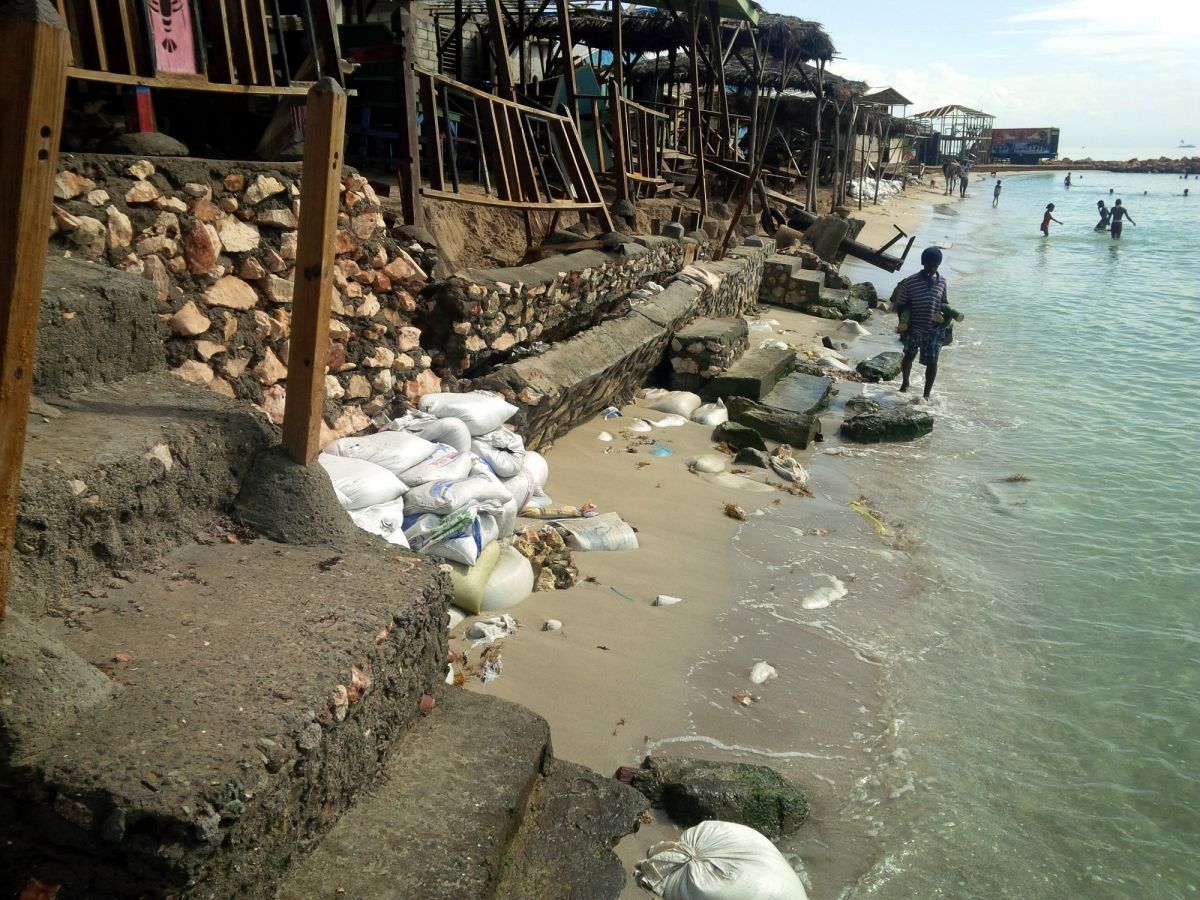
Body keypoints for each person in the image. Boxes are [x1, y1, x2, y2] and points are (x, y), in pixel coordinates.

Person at [893, 247, 953, 400]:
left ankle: (926, 395)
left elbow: (944, 303)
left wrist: (943, 320)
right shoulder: (911, 282)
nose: (931, 269)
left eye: (934, 266)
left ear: (938, 265)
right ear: (922, 263)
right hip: (914, 328)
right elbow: (901, 305)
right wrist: (903, 325)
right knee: (908, 356)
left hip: (934, 331)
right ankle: (905, 383)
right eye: (928, 265)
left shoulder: (942, 282)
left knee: (932, 362)